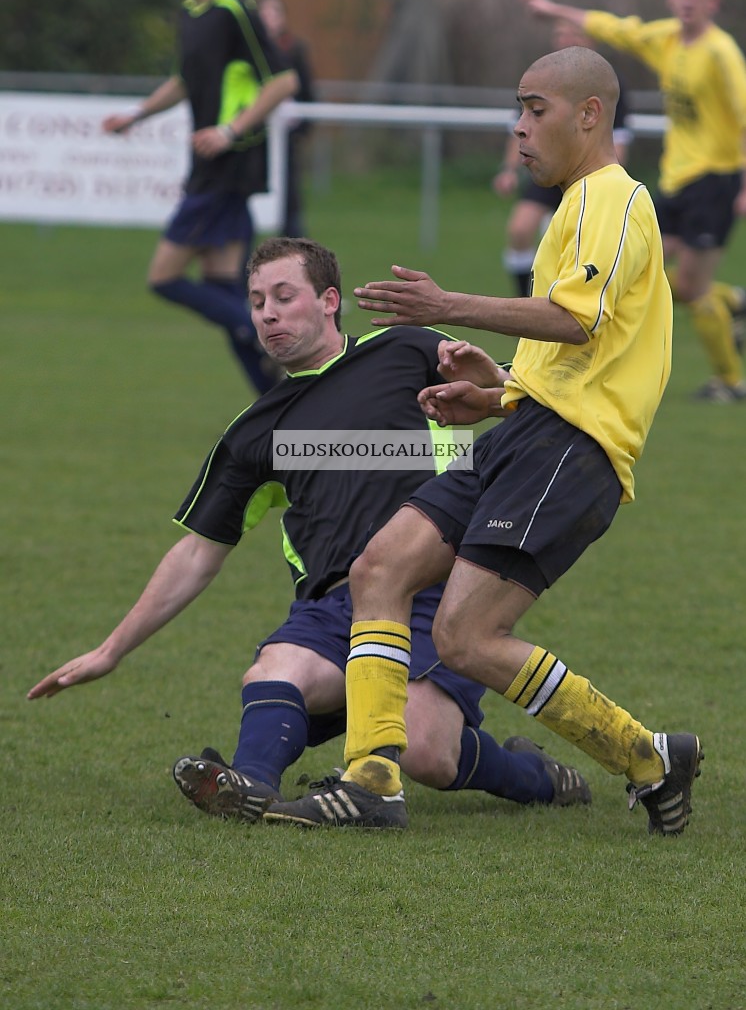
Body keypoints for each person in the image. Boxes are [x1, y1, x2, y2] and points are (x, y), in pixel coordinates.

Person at [263, 47, 703, 838]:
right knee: (380, 567)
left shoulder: (612, 197)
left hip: (570, 453)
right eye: (519, 110)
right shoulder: (574, 206)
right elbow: (584, 357)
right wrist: (495, 395)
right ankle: (371, 780)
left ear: (589, 114)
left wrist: (445, 305)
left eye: (536, 110)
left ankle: (645, 755)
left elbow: (577, 319)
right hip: (531, 434)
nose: (520, 128)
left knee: (465, 638)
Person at [27, 237, 592, 825]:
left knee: (425, 748)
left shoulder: (405, 351)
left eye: (283, 296)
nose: (267, 313)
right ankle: (248, 785)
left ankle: (537, 777)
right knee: (275, 670)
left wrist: (495, 383)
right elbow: (198, 552)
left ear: (328, 301)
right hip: (333, 606)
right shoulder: (255, 432)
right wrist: (111, 649)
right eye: (255, 302)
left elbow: (520, 395)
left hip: (435, 592)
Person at [524, 0, 746, 402]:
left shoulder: (721, 53)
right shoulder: (665, 39)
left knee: (692, 291)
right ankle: (734, 303)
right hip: (676, 180)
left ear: (713, 3)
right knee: (658, 280)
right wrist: (554, 12)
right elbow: (612, 28)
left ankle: (731, 382)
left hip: (716, 181)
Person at [102, 0, 299, 396]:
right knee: (226, 286)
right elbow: (183, 80)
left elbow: (283, 82)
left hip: (228, 166)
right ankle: (278, 402)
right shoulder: (192, 14)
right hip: (209, 166)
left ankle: (273, 335)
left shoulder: (235, 11)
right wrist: (137, 116)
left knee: (164, 278)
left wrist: (231, 130)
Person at [493, 20, 632, 297]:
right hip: (548, 169)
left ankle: (538, 308)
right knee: (520, 229)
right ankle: (526, 302)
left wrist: (608, 184)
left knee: (570, 244)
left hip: (585, 176)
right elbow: (520, 130)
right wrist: (509, 170)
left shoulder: (607, 84)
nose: (565, 39)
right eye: (560, 34)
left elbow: (619, 140)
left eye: (573, 33)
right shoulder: (540, 80)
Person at [258, 0, 316, 238]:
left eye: (275, 13)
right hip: (257, 135)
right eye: (265, 13)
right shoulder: (250, 50)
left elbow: (307, 91)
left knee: (289, 195)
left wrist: (301, 128)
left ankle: (294, 247)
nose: (270, 19)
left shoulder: (294, 49)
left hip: (286, 135)